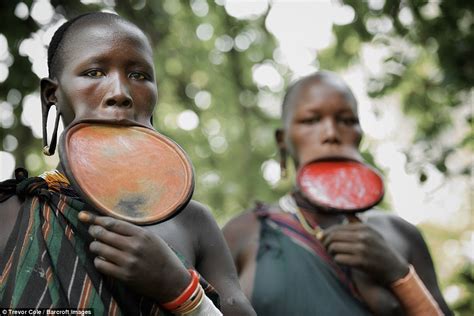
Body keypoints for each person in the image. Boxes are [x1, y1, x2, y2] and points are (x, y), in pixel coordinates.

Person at [0, 12, 255, 316]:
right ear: (52, 95)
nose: (120, 94)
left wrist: (180, 292)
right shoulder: (9, 212)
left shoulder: (192, 222)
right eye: (94, 72)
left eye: (138, 75)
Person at [223, 71, 452, 315]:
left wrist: (398, 274)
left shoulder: (401, 234)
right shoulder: (242, 233)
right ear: (283, 140)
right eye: (311, 121)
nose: (331, 133)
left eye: (346, 120)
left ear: (360, 134)